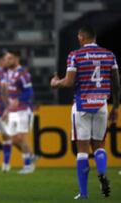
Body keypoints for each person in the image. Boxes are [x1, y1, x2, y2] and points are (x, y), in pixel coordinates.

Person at [51, 25, 119, 199]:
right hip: (101, 104)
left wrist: (56, 83)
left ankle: (84, 193)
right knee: (99, 146)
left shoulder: (75, 55)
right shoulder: (109, 55)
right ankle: (102, 173)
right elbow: (116, 84)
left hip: (82, 105)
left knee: (82, 150)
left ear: (81, 37)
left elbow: (68, 82)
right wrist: (116, 106)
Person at [4, 50, 37, 174]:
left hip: (23, 109)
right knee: (13, 139)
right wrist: (7, 109)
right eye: (6, 59)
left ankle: (28, 166)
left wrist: (19, 99)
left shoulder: (23, 74)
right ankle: (32, 156)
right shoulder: (8, 73)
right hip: (12, 111)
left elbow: (29, 92)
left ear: (16, 59)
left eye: (10, 58)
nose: (7, 61)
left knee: (21, 137)